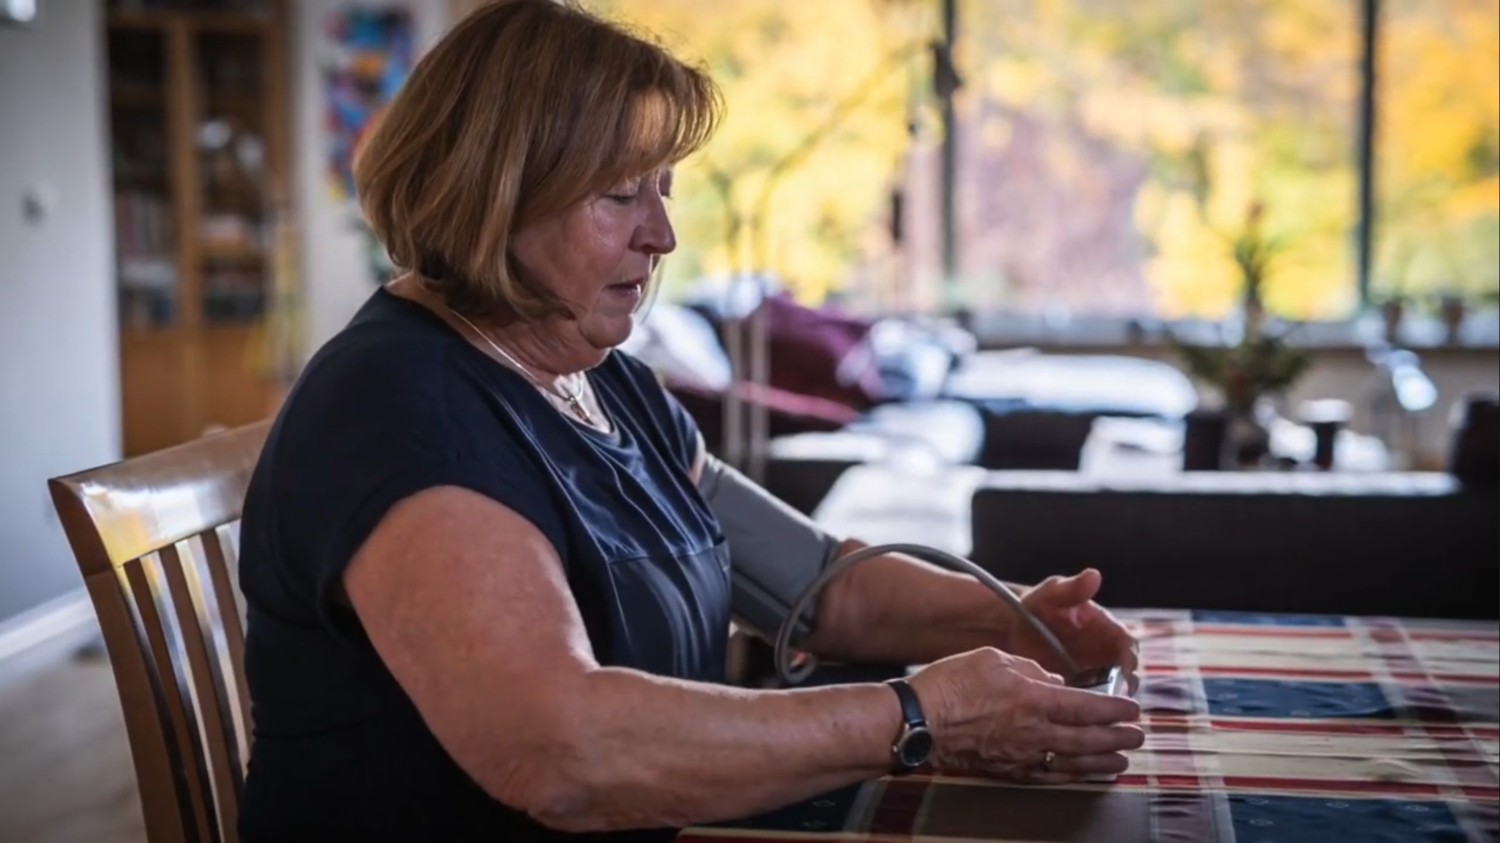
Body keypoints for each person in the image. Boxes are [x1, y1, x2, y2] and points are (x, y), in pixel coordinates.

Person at [235, 1, 1144, 840]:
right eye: (621, 193)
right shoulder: (401, 406)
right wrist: (919, 717)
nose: (663, 234)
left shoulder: (607, 381)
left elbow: (822, 588)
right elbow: (558, 752)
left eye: (663, 188)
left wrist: (1014, 620)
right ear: (493, 194)